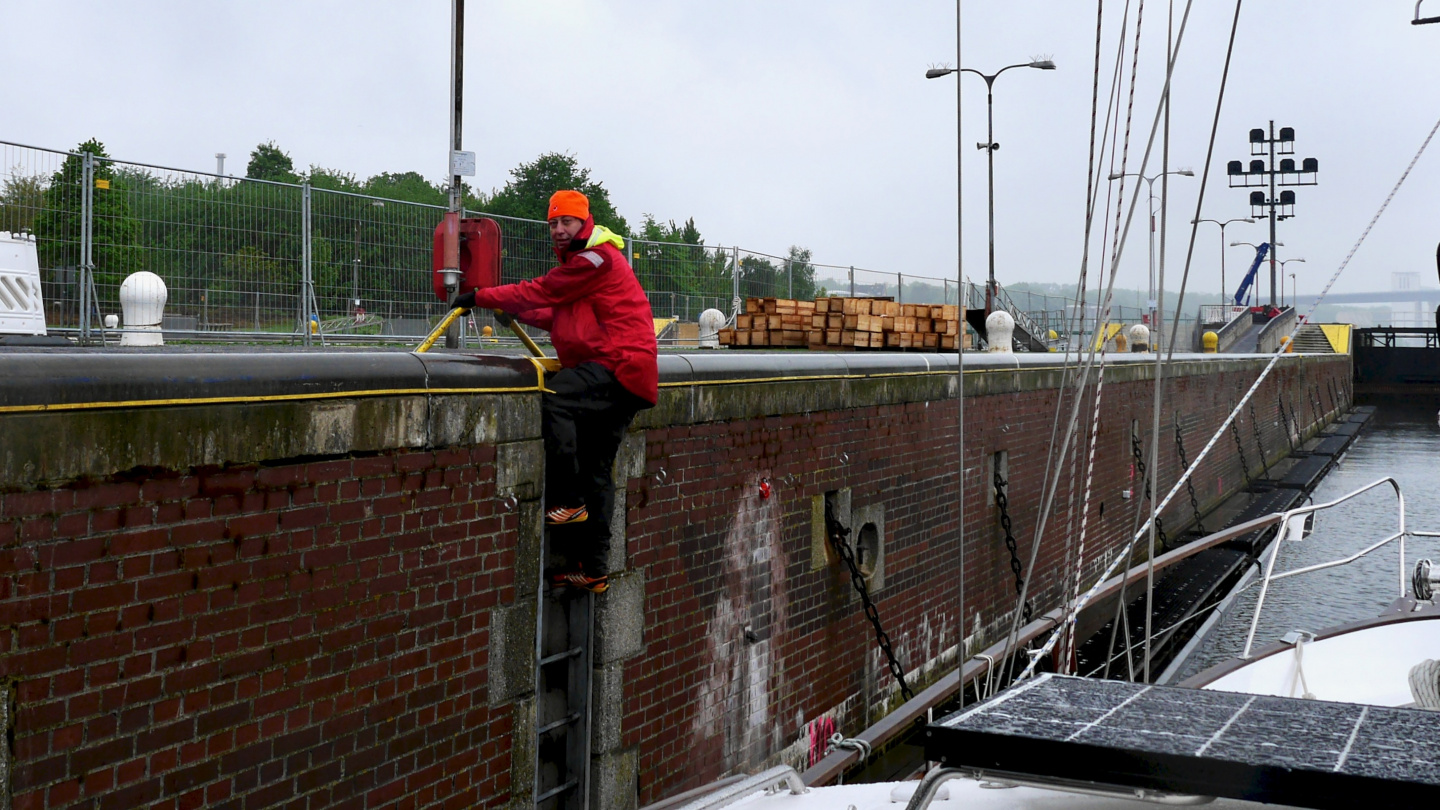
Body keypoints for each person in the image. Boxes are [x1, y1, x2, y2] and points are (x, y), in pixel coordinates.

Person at [453, 190, 657, 594]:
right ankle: (595, 570)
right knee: (599, 470)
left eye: (567, 222)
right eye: (553, 223)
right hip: (629, 373)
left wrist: (480, 296)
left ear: (586, 222)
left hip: (618, 366)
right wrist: (515, 311)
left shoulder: (593, 260)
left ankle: (568, 501)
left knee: (558, 395)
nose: (559, 230)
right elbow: (559, 315)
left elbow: (541, 291)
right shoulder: (589, 264)